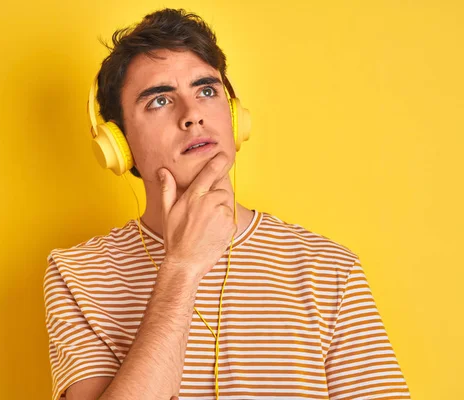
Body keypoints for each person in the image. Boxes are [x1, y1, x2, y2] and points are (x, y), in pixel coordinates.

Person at [43, 8, 411, 400]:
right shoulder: (78, 274)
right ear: (119, 144)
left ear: (235, 117)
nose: (193, 115)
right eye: (160, 101)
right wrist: (181, 268)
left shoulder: (329, 268)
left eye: (206, 91)